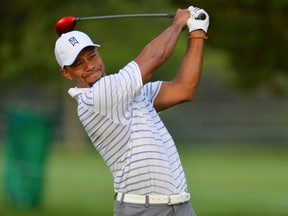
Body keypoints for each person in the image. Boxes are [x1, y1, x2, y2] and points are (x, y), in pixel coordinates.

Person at [54, 5, 209, 216]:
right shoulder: (97, 97)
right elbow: (153, 57)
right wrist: (178, 23)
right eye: (78, 64)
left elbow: (183, 89)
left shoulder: (127, 92)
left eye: (92, 56)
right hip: (144, 209)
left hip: (180, 205)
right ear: (66, 73)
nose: (90, 66)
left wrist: (197, 33)